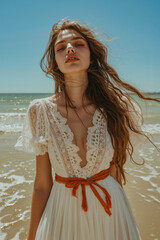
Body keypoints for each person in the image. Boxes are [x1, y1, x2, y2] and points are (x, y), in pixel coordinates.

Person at [15, 19, 159, 240]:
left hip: (110, 211)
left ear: (91, 58)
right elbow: (42, 185)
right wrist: (31, 236)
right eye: (61, 48)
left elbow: (115, 173)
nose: (70, 48)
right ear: (55, 63)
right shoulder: (40, 111)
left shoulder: (116, 108)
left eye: (78, 43)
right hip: (61, 215)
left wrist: (122, 224)